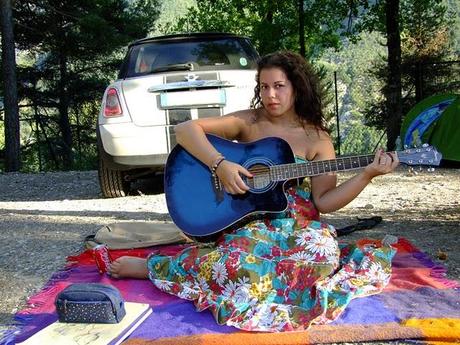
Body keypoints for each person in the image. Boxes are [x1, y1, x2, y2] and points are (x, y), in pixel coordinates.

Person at [108, 51, 399, 331]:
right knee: (234, 266)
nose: (270, 95)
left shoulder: (317, 138)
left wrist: (367, 175)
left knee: (323, 257)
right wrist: (220, 165)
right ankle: (156, 267)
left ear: (297, 87)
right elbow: (185, 130)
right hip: (253, 222)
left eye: (279, 86)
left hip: (301, 228)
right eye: (264, 87)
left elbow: (325, 201)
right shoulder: (249, 122)